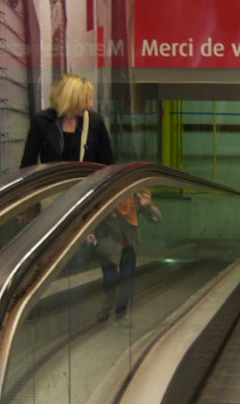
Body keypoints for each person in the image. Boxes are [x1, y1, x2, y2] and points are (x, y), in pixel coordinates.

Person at [87, 188, 160, 323]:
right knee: (110, 281)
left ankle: (121, 313)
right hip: (108, 246)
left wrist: (149, 206)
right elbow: (92, 217)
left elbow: (156, 219)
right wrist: (89, 233)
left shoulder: (135, 199)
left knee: (127, 281)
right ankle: (106, 309)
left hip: (129, 246)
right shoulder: (105, 199)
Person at [20, 73, 114, 166]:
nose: (90, 105)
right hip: (55, 180)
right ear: (69, 100)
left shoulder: (95, 121)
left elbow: (107, 164)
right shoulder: (42, 121)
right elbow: (27, 165)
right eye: (85, 100)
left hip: (88, 180)